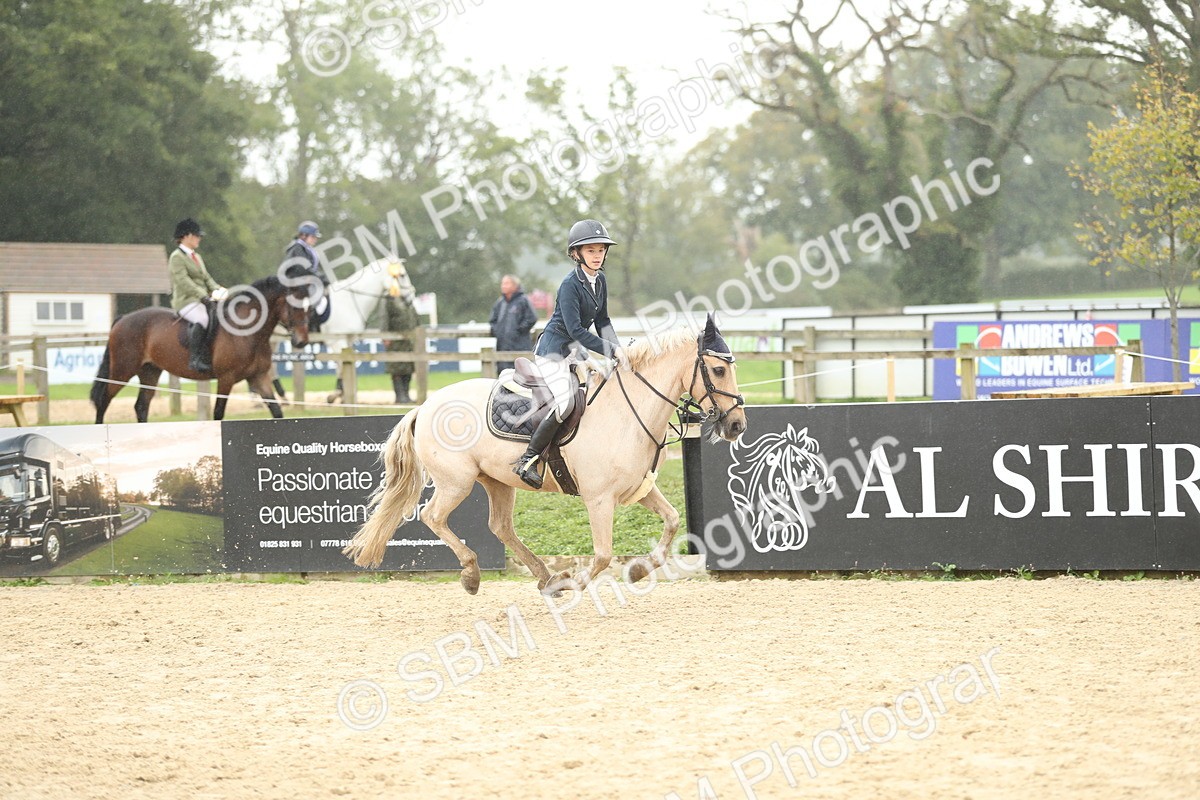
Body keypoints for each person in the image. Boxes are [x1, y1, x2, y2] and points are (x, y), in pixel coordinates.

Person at [513, 219, 629, 489]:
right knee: (564, 403)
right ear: (577, 254)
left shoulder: (600, 281)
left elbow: (603, 321)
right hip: (553, 351)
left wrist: (619, 349)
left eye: (601, 250)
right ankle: (528, 459)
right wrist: (611, 350)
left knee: (600, 391)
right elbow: (576, 330)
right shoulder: (569, 285)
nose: (597, 255)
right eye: (591, 251)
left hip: (574, 351)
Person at [168, 218, 227, 373]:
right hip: (186, 301)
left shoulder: (197, 257)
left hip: (203, 300)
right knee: (203, 319)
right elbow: (183, 281)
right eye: (197, 235)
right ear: (187, 236)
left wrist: (219, 290)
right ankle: (195, 359)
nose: (199, 238)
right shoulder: (176, 257)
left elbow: (206, 278)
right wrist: (203, 296)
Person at [283, 220, 330, 330]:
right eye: (313, 237)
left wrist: (321, 277)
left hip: (306, 281)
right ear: (303, 236)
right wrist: (320, 278)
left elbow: (312, 268)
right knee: (318, 300)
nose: (315, 239)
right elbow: (302, 268)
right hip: (296, 283)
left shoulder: (307, 249)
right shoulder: (297, 248)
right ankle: (309, 324)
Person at [382, 264, 420, 404]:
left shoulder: (409, 302)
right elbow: (385, 318)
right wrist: (385, 335)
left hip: (409, 341)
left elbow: (416, 320)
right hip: (396, 341)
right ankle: (399, 396)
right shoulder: (390, 301)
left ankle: (406, 394)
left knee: (408, 368)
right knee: (397, 369)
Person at [489, 274, 538, 373]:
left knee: (521, 376)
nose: (503, 286)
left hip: (520, 346)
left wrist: (518, 331)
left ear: (515, 286)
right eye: (502, 283)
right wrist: (497, 331)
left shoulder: (523, 300)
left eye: (507, 283)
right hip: (502, 347)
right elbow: (492, 320)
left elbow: (531, 318)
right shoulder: (500, 303)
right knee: (502, 375)